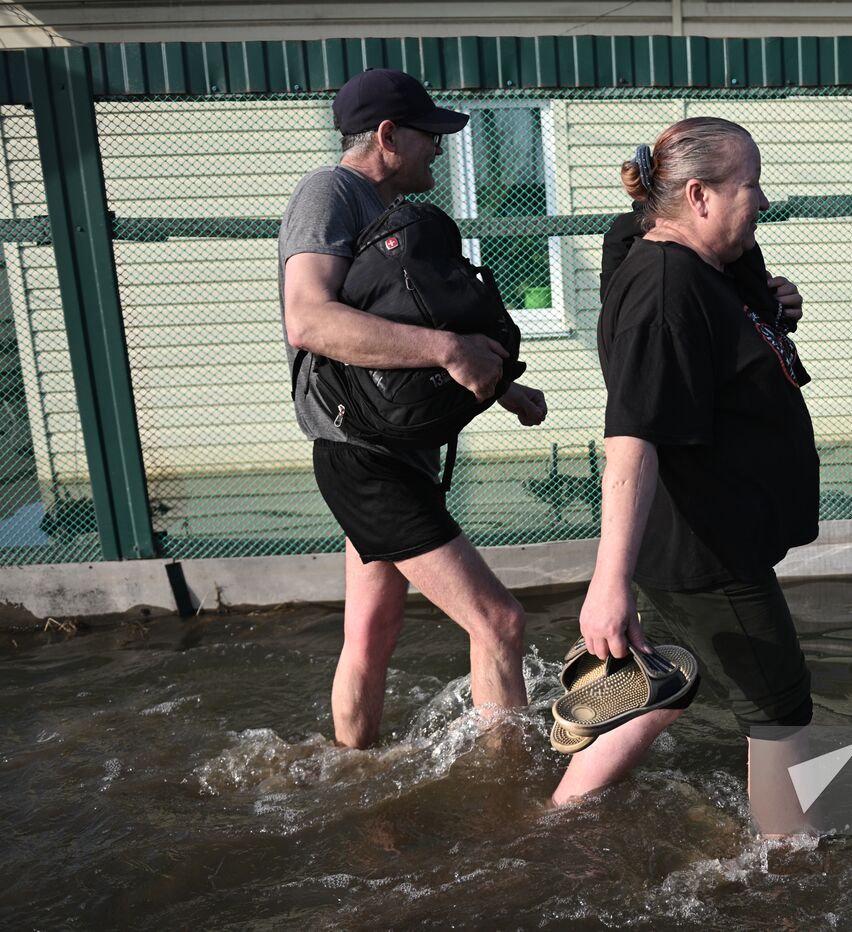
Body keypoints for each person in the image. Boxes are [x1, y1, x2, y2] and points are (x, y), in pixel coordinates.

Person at [552, 117, 819, 805]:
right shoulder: (665, 289)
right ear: (698, 195)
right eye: (750, 186)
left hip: (700, 538)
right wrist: (607, 584)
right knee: (780, 714)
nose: (761, 201)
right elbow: (633, 438)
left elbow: (710, 352)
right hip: (708, 550)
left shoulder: (696, 263)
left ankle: (558, 819)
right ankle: (793, 877)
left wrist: (769, 308)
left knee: (670, 682)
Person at [279, 68, 548, 748]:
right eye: (430, 136)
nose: (439, 148)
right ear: (387, 135)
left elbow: (396, 340)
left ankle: (350, 768)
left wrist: (500, 386)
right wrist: (448, 348)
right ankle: (508, 790)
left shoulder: (385, 213)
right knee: (500, 622)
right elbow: (309, 320)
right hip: (363, 459)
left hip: (386, 451)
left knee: (370, 632)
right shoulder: (330, 192)